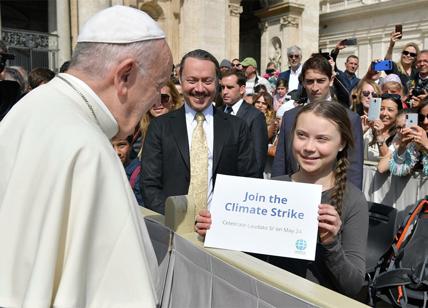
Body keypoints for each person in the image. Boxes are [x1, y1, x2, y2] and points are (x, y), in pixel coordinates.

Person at [0, 6, 173, 307]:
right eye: (159, 85)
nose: (159, 99)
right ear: (125, 75)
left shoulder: (28, 108)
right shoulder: (90, 151)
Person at [196, 101, 368, 298]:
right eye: (301, 136)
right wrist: (214, 230)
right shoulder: (272, 189)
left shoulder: (353, 201)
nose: (309, 147)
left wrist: (331, 243)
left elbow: (353, 286)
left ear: (342, 143)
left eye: (322, 139)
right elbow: (247, 258)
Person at [141, 49, 258, 215]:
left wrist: (222, 221)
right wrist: (174, 220)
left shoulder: (237, 128)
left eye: (207, 81)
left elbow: (249, 181)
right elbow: (149, 184)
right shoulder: (160, 127)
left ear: (217, 82)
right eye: (192, 80)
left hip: (220, 229)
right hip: (173, 230)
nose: (200, 88)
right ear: (180, 80)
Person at [272, 55, 364, 189]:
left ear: (331, 80)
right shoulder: (290, 117)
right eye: (309, 81)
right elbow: (281, 162)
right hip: (292, 194)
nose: (315, 87)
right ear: (302, 82)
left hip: (332, 196)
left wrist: (347, 205)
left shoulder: (350, 118)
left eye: (320, 81)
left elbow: (353, 167)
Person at [220, 70, 268, 178]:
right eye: (222, 87)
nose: (224, 92)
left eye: (230, 87)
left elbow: (258, 159)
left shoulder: (255, 117)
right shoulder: (216, 113)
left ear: (242, 89)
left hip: (242, 183)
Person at [389, 100, 428, 176]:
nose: (425, 121)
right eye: (422, 117)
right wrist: (402, 146)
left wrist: (426, 145)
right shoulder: (414, 141)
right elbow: (398, 171)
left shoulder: (423, 141)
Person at [362, 94, 401, 162]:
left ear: (398, 113)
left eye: (390, 110)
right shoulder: (368, 130)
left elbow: (387, 162)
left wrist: (379, 135)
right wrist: (362, 130)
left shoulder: (399, 135)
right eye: (381, 109)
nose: (384, 113)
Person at [384, 30, 419, 94]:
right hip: (397, 102)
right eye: (405, 53)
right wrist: (391, 46)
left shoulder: (416, 72)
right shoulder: (395, 68)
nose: (408, 55)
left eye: (412, 54)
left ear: (415, 58)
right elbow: (386, 64)